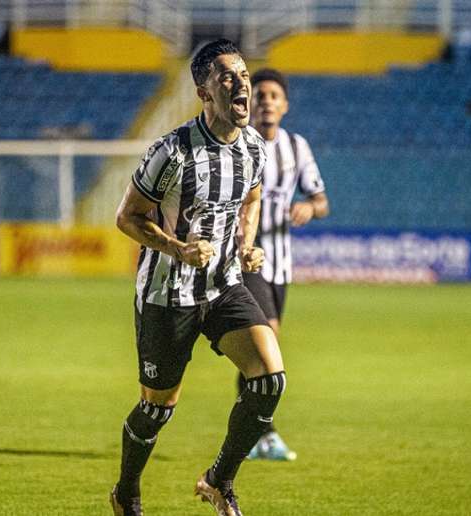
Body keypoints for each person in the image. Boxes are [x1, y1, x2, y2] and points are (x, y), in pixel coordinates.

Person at [111, 39, 285, 516]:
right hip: (168, 295)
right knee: (156, 409)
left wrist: (247, 243)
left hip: (224, 284)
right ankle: (126, 491)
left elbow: (250, 199)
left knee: (270, 379)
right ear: (203, 91)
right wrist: (178, 248)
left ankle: (218, 481)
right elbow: (127, 217)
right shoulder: (171, 152)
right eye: (227, 76)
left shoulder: (252, 148)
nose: (241, 83)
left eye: (244, 75)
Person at [240, 68, 329, 461]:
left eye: (274, 95)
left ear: (285, 105)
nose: (266, 101)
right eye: (260, 95)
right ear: (249, 103)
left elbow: (322, 201)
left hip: (282, 264)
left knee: (256, 350)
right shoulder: (239, 144)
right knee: (266, 339)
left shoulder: (297, 147)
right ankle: (265, 433)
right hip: (247, 257)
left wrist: (309, 207)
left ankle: (249, 433)